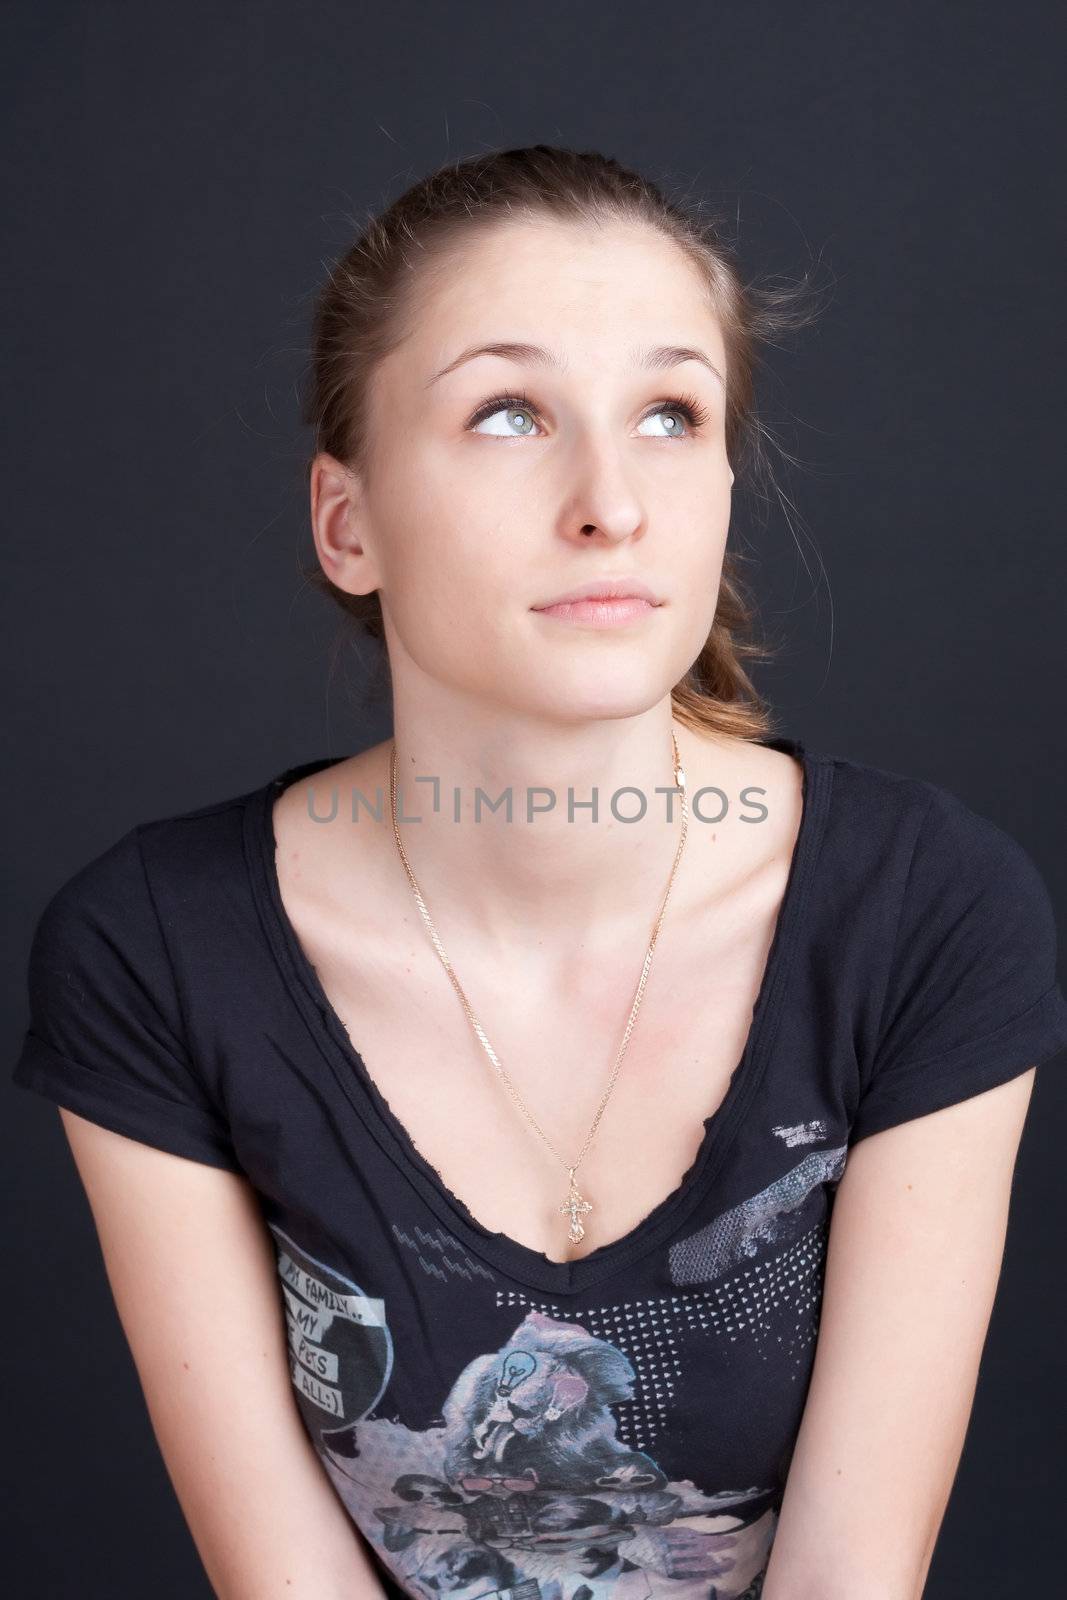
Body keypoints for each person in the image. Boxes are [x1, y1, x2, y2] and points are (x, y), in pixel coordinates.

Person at [13, 145, 1067, 1600]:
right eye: (509, 413)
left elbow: (850, 1579)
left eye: (669, 413)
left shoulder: (927, 915)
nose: (610, 501)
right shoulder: (155, 954)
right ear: (348, 522)